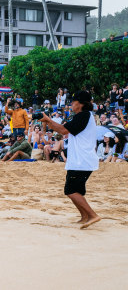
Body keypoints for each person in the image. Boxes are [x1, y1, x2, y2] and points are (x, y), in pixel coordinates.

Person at [40, 90, 101, 229]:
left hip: (82, 160)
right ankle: (85, 216)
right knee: (77, 190)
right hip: (81, 160)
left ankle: (92, 215)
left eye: (73, 101)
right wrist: (48, 121)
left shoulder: (84, 115)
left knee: (70, 190)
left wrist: (48, 120)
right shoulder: (84, 116)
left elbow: (62, 131)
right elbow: (62, 129)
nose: (71, 104)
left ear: (81, 103)